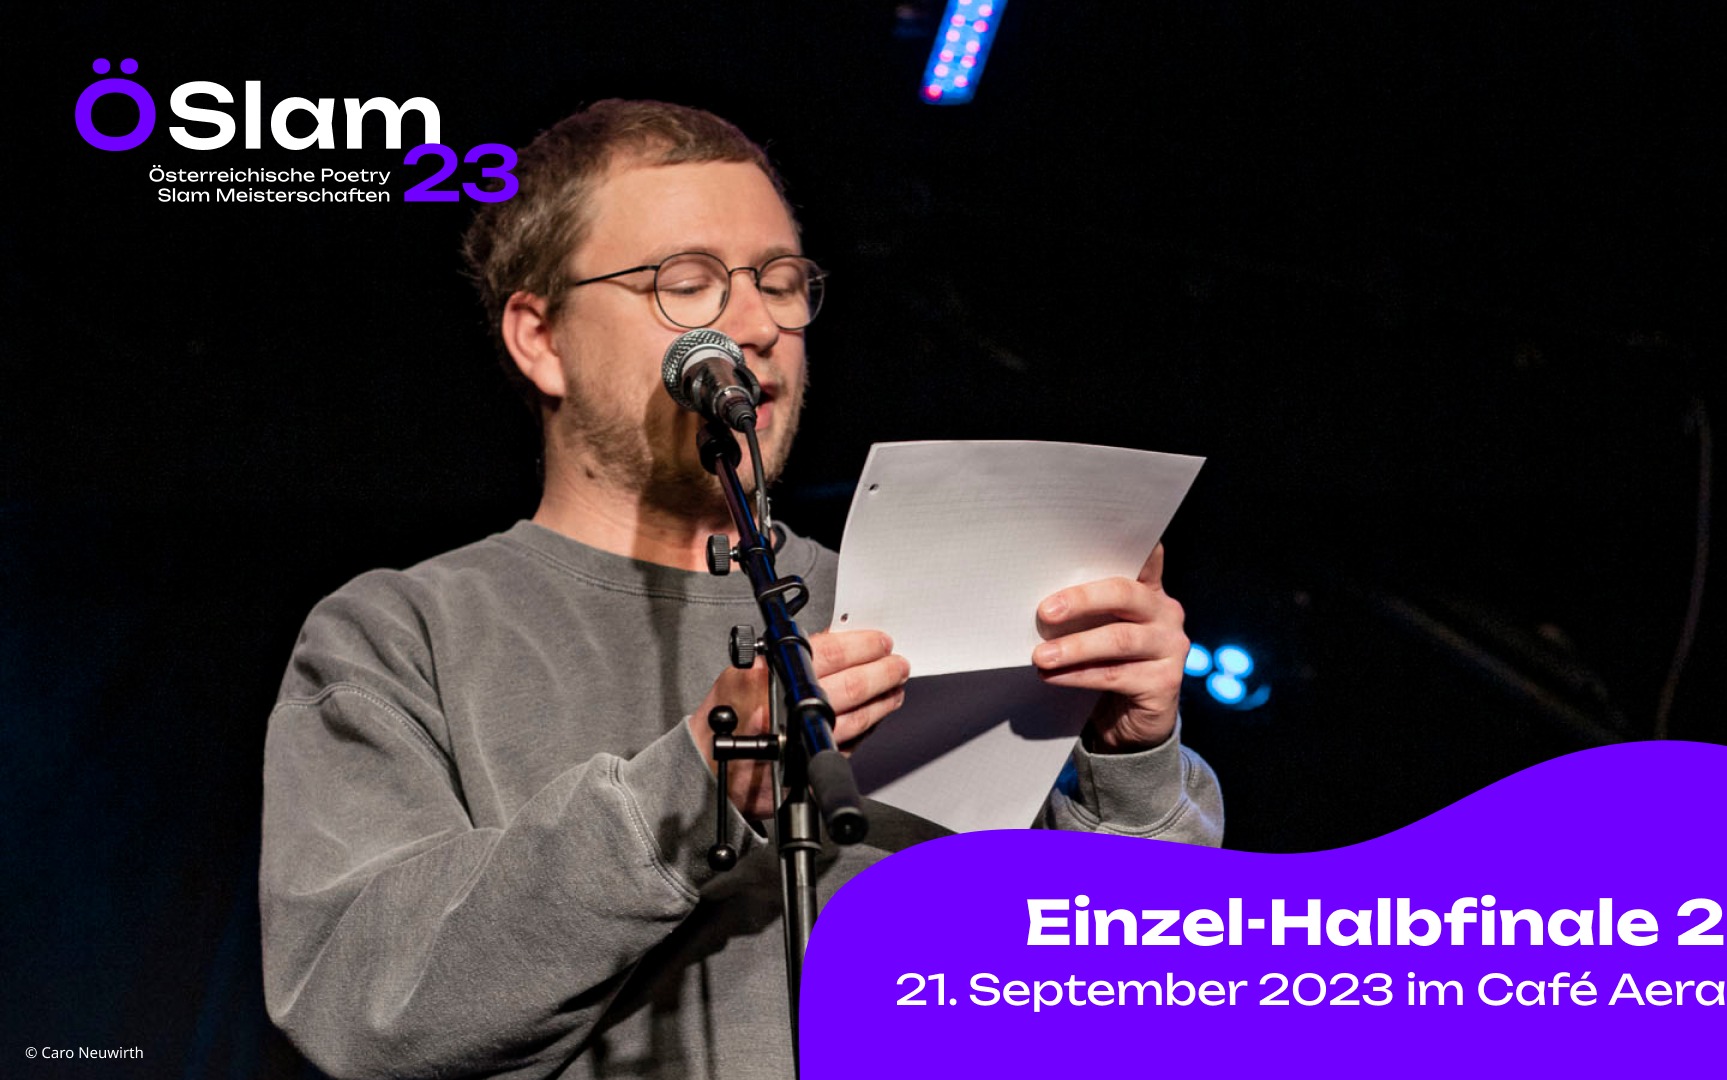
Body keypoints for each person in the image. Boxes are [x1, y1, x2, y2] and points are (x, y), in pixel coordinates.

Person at [261, 99, 1223, 1080]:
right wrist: (694, 790)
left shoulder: (926, 609)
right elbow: (358, 1006)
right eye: (688, 284)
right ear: (540, 337)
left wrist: (1133, 764)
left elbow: (1135, 1002)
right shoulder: (400, 633)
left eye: (782, 282)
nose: (759, 326)